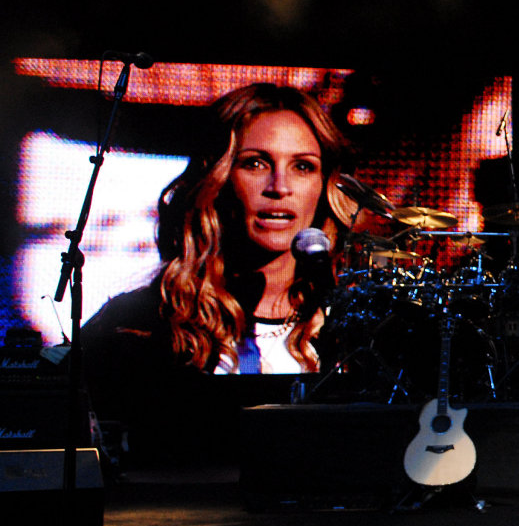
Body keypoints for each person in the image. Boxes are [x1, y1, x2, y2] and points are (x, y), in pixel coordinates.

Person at [82, 83, 357, 458]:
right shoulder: (139, 324)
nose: (280, 187)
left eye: (302, 167)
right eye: (255, 163)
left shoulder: (352, 326)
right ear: (218, 177)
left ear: (324, 186)